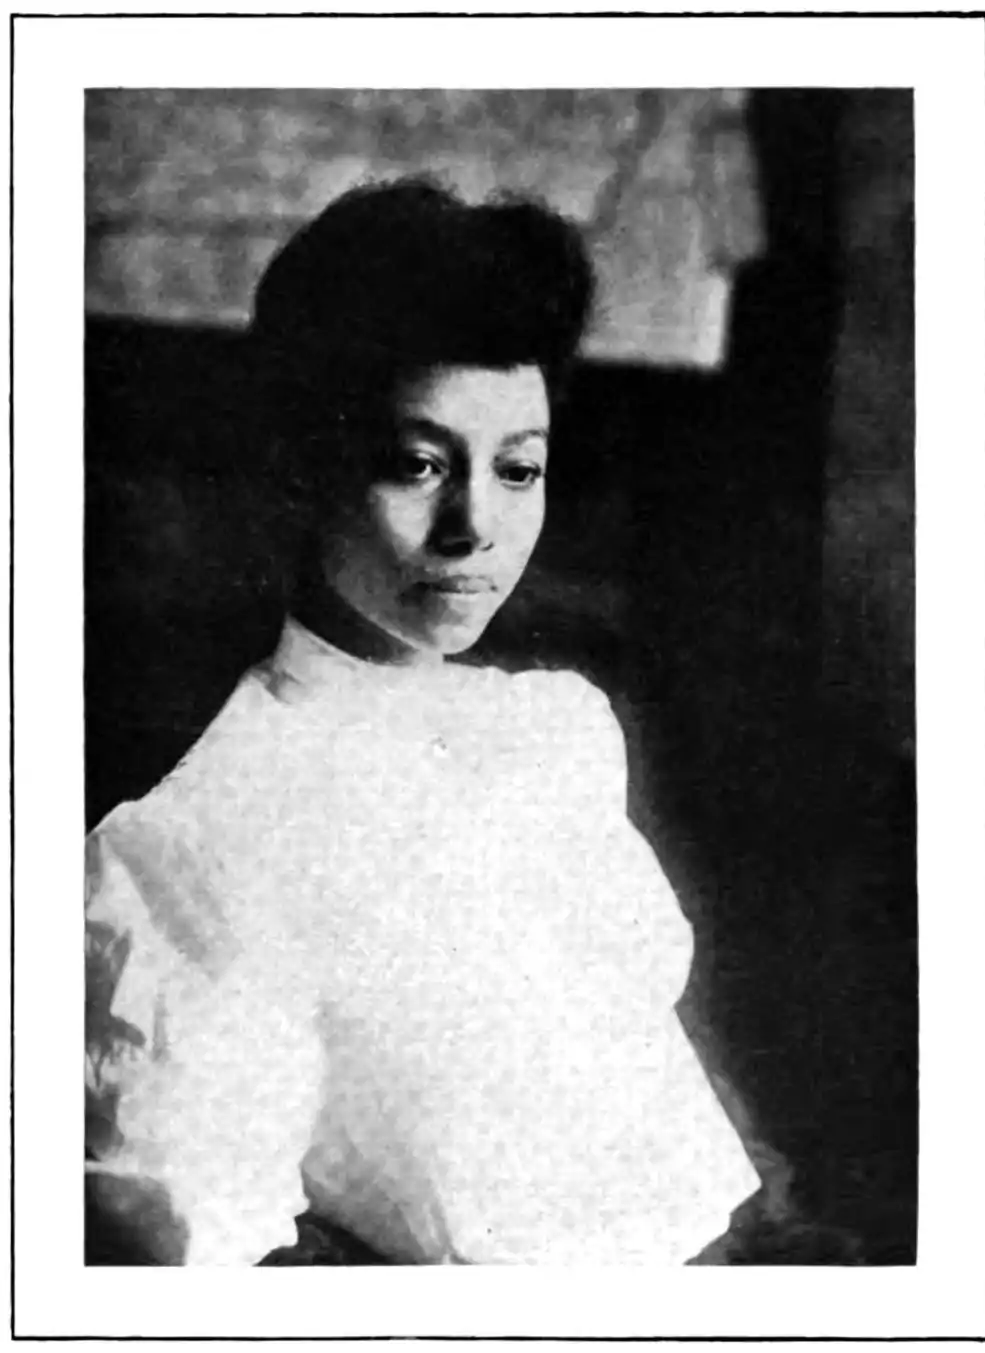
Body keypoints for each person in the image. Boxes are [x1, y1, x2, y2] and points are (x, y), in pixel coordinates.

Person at [85, 179, 763, 1266]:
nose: (475, 524)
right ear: (303, 464)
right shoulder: (203, 836)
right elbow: (198, 1257)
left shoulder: (553, 731)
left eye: (518, 468)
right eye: (417, 464)